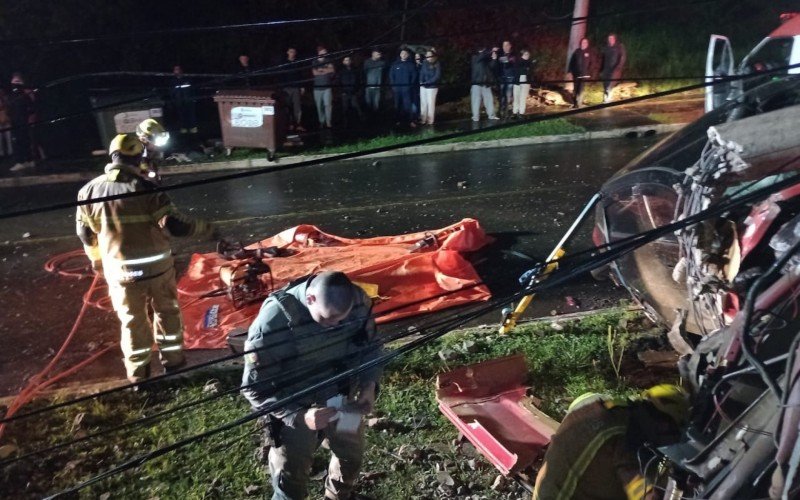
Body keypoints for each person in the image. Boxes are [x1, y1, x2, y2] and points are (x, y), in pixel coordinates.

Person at [76, 134, 215, 383]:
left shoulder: (88, 191)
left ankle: (139, 377)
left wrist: (97, 260)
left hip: (120, 272)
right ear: (138, 158)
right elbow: (175, 226)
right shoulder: (147, 189)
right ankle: (174, 365)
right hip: (156, 268)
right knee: (167, 313)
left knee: (132, 321)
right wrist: (206, 229)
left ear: (112, 156)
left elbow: (85, 234)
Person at [241, 271, 384, 500]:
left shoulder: (357, 302)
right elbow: (254, 390)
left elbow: (371, 347)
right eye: (328, 319)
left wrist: (369, 384)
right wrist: (300, 416)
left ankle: (337, 496)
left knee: (351, 456)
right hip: (295, 404)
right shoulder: (274, 323)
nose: (335, 325)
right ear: (310, 300)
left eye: (341, 320)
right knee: (292, 473)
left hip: (341, 395)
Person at [533, 384, 690, 500]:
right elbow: (645, 494)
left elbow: (578, 402)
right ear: (664, 424)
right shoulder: (626, 442)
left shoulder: (604, 406)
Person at [8, 73, 36, 172]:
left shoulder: (23, 94)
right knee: (23, 141)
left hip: (20, 121)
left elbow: (31, 107)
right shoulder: (20, 94)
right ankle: (27, 160)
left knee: (21, 141)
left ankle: (22, 161)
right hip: (18, 121)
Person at [389, 48, 418, 127]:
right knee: (397, 105)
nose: (404, 55)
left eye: (405, 53)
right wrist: (393, 86)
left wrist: (410, 86)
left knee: (408, 106)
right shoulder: (395, 64)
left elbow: (414, 76)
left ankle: (410, 121)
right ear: (400, 54)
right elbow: (391, 76)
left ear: (408, 55)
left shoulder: (411, 64)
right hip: (397, 89)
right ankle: (397, 121)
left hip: (407, 89)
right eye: (402, 53)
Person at [470, 47, 499, 122]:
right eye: (483, 50)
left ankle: (491, 115)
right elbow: (482, 55)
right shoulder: (475, 57)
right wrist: (491, 50)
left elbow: (491, 67)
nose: (484, 51)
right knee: (476, 101)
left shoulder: (485, 59)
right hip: (477, 83)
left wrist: (494, 59)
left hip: (486, 83)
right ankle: (475, 117)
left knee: (489, 100)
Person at [283, 47, 306, 132]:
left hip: (296, 87)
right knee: (287, 107)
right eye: (291, 52)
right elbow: (281, 76)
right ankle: (289, 124)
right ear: (288, 52)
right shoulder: (284, 63)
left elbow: (301, 75)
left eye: (294, 52)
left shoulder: (298, 63)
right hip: (286, 88)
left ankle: (298, 124)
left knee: (297, 107)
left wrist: (302, 87)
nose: (292, 53)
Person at [312, 46, 335, 129]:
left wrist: (322, 70)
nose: (325, 53)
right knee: (319, 106)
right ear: (320, 52)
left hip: (327, 87)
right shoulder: (314, 62)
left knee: (328, 105)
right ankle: (321, 121)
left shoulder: (328, 60)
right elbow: (315, 72)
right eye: (324, 51)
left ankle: (328, 122)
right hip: (317, 88)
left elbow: (332, 70)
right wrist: (326, 70)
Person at [170, 65, 198, 134]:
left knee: (191, 115)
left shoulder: (187, 79)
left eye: (177, 69)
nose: (176, 71)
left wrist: (194, 98)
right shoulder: (173, 81)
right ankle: (183, 128)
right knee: (181, 115)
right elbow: (171, 91)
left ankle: (193, 128)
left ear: (181, 70)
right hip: (179, 101)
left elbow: (192, 89)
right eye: (175, 69)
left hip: (188, 100)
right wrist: (173, 100)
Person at [338, 55, 364, 128]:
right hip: (345, 92)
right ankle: (345, 123)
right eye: (346, 60)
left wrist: (357, 90)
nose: (347, 61)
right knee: (345, 108)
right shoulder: (341, 71)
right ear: (343, 62)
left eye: (348, 60)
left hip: (353, 92)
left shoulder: (355, 70)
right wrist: (341, 91)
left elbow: (359, 80)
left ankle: (361, 122)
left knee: (356, 107)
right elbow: (338, 82)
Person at [601, 33, 627, 103]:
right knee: (606, 84)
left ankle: (608, 98)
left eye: (612, 38)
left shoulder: (620, 46)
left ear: (615, 39)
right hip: (606, 69)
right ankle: (606, 98)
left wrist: (619, 66)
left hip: (615, 69)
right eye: (609, 38)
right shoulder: (606, 47)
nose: (611, 40)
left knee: (610, 84)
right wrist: (601, 68)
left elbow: (623, 57)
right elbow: (603, 58)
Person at [569, 38, 594, 108]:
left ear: (587, 44)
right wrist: (570, 71)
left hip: (584, 74)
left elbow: (592, 63)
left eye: (586, 42)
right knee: (576, 88)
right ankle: (575, 102)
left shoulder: (589, 52)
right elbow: (572, 62)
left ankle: (578, 103)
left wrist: (589, 72)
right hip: (576, 73)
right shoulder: (577, 51)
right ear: (581, 43)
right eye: (583, 42)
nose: (584, 43)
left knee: (581, 88)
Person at [418, 49, 441, 125]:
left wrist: (427, 83)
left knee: (430, 104)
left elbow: (437, 76)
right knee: (423, 103)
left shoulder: (437, 63)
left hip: (432, 87)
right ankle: (423, 120)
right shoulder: (424, 63)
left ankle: (430, 121)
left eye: (429, 55)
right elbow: (422, 72)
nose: (428, 56)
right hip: (423, 86)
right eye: (426, 55)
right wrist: (421, 81)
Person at [363, 49, 387, 114]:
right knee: (368, 104)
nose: (379, 55)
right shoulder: (367, 62)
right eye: (378, 54)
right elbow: (364, 74)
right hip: (368, 87)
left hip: (378, 88)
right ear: (373, 54)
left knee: (376, 105)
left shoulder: (382, 63)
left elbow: (385, 74)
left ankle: (376, 118)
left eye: (380, 54)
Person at [496, 40, 516, 118]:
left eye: (507, 45)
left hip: (510, 77)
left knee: (509, 94)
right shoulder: (500, 54)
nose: (505, 47)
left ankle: (509, 111)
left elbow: (511, 63)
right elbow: (498, 64)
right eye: (503, 45)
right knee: (501, 94)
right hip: (502, 77)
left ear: (510, 46)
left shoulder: (513, 54)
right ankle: (501, 110)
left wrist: (505, 60)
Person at [512, 49, 534, 118]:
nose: (527, 56)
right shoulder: (518, 61)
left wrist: (529, 82)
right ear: (522, 55)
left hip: (526, 80)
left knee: (523, 97)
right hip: (517, 80)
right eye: (526, 54)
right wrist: (525, 69)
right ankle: (515, 112)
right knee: (516, 97)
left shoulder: (530, 62)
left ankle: (521, 113)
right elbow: (516, 70)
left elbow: (530, 72)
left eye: (528, 54)